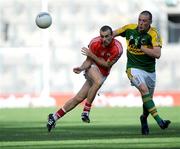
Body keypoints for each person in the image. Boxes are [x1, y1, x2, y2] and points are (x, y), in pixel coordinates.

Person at [47, 25, 123, 132]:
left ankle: (54, 117)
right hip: (92, 68)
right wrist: (81, 68)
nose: (104, 39)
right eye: (102, 36)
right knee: (98, 81)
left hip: (103, 72)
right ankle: (86, 111)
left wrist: (91, 55)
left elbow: (106, 65)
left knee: (78, 98)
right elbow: (88, 60)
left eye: (107, 36)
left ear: (112, 35)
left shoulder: (118, 49)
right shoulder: (95, 43)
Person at [113, 10, 171, 135]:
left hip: (149, 71)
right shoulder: (129, 29)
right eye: (139, 20)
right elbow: (112, 34)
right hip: (133, 68)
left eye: (144, 21)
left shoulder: (154, 34)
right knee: (144, 91)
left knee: (147, 99)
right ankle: (160, 121)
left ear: (150, 22)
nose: (140, 23)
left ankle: (144, 118)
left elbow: (157, 54)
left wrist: (140, 46)